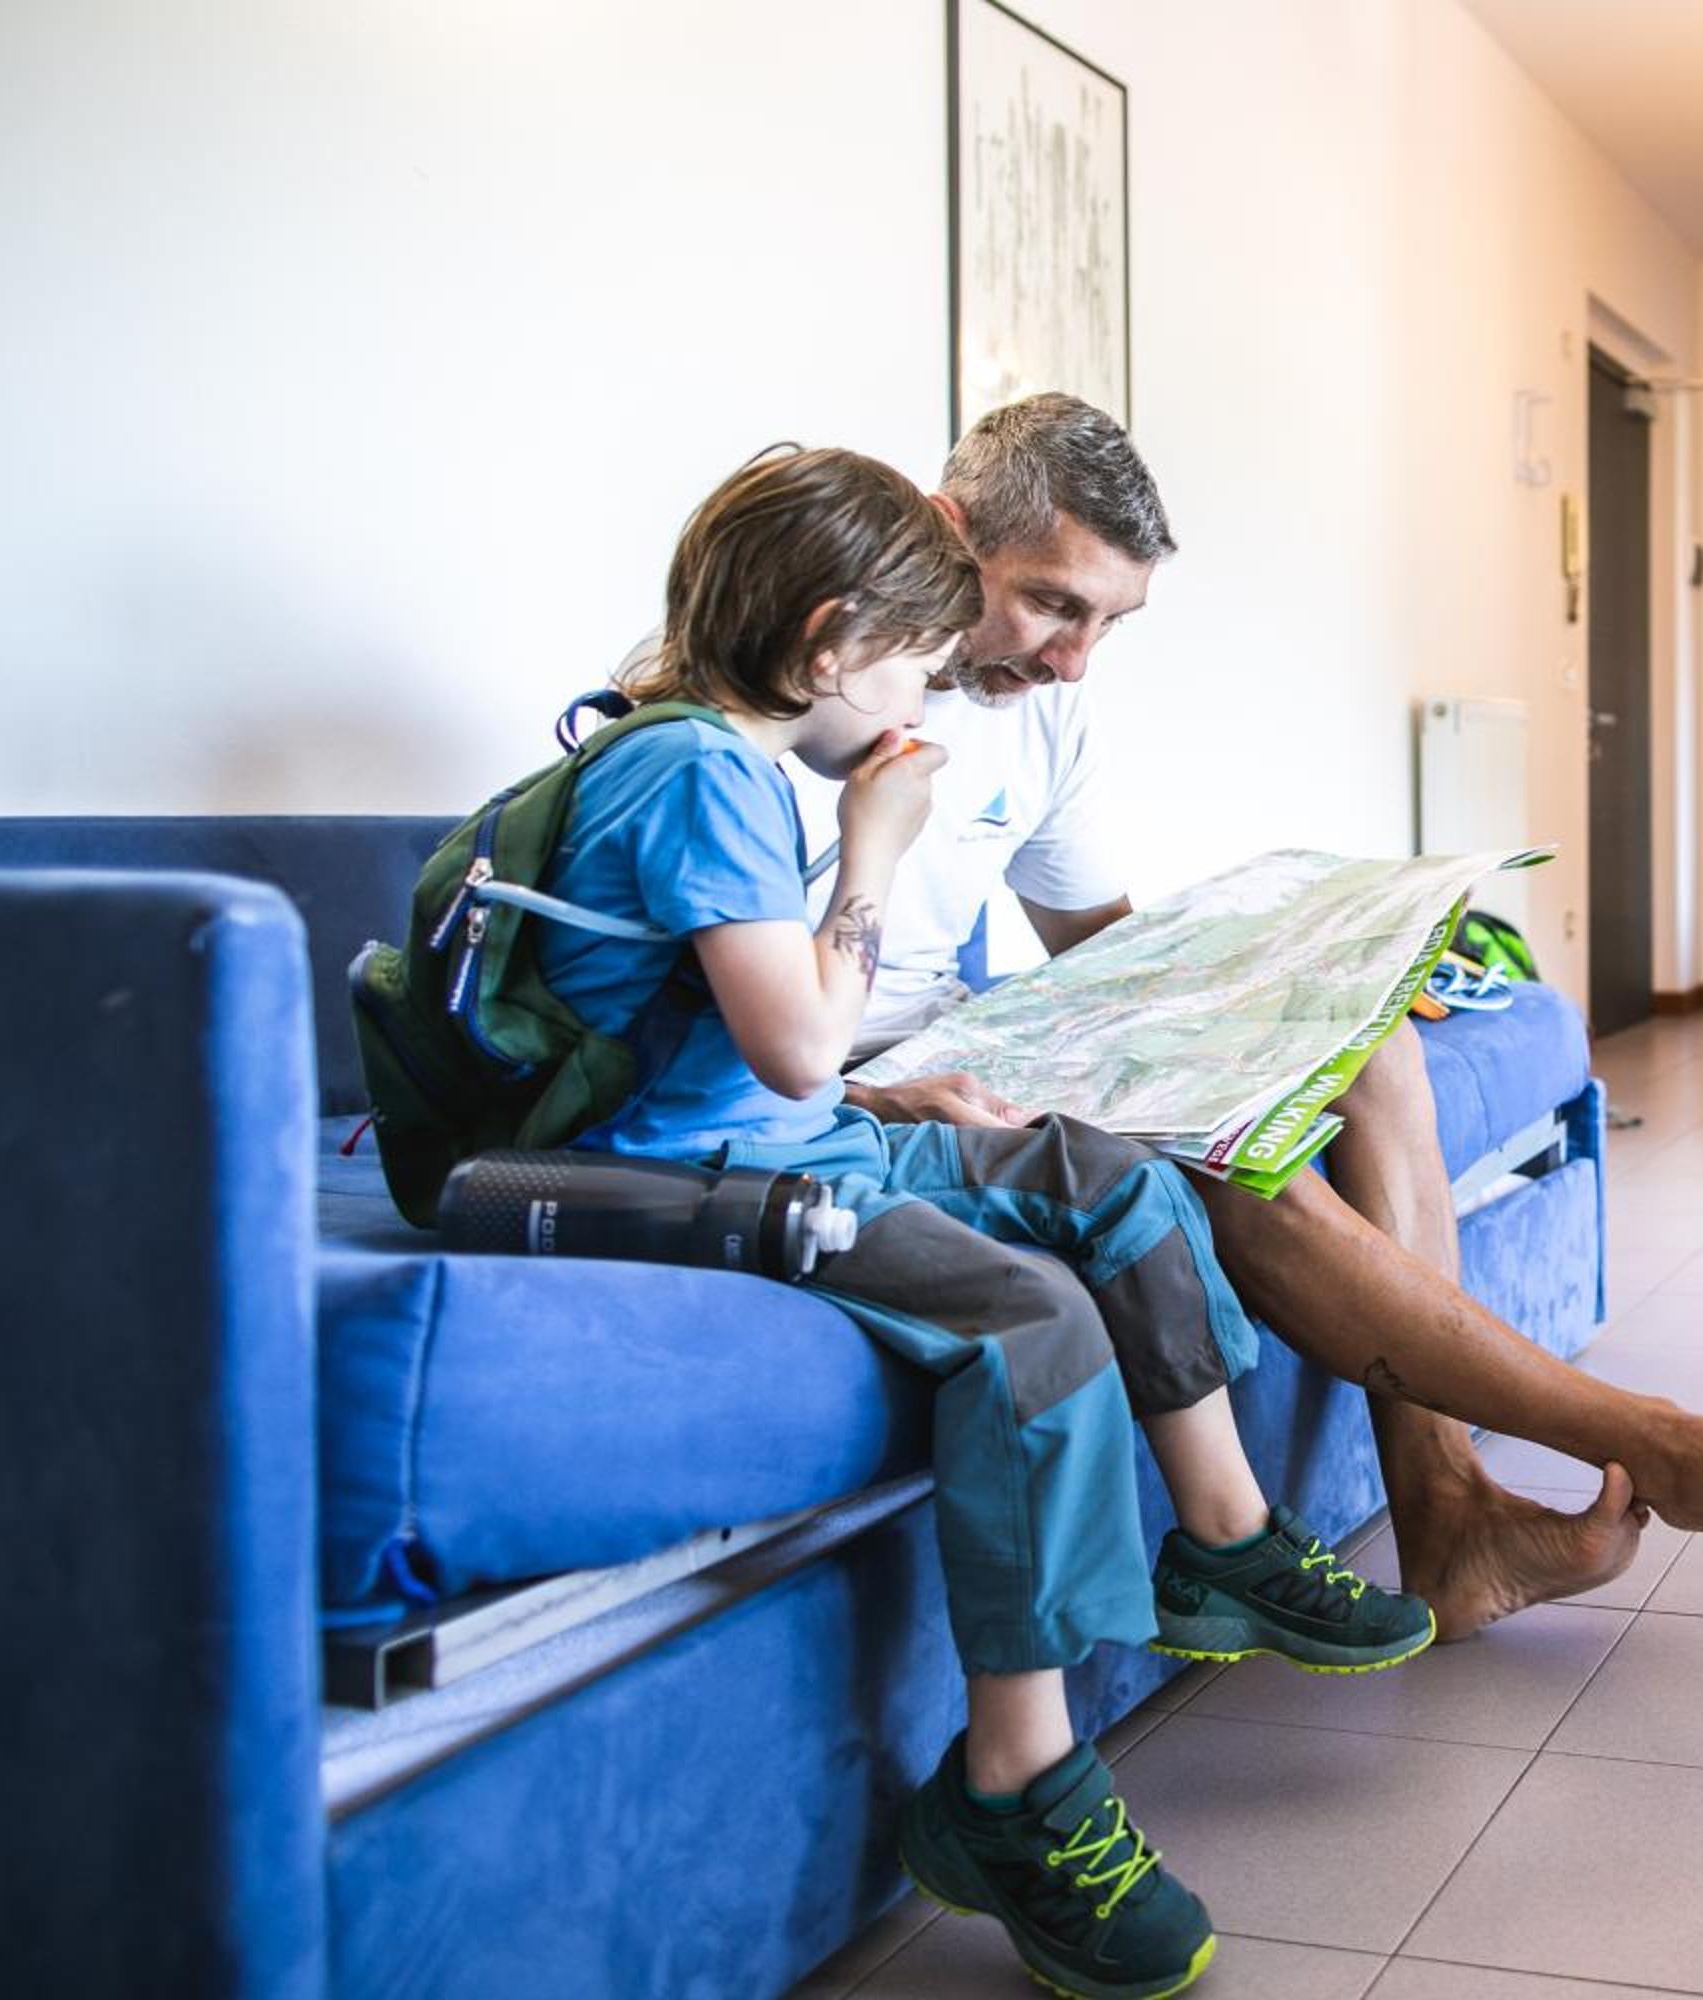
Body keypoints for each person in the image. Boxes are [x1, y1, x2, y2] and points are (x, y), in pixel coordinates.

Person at [557, 442, 1437, 2000]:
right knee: (1034, 1321)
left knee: (1109, 1176)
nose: (930, 697)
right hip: (707, 1165)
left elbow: (783, 1049)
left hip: (801, 1126)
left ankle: (1224, 1539)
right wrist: (875, 848)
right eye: (914, 659)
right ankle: (1015, 1786)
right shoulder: (693, 771)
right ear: (831, 643)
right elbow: (798, 1049)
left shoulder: (733, 764)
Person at [815, 396, 1703, 1633]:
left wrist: (1305, 985)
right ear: (948, 528)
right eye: (1053, 604)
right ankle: (1654, 1441)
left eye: (1109, 622)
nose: (1074, 660)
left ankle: (1446, 1509)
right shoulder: (802, 689)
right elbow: (702, 1028)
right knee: (1225, 1157)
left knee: (1372, 1047)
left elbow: (1096, 946)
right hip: (864, 1073)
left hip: (971, 1028)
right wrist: (870, 1092)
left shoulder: (1040, 706)